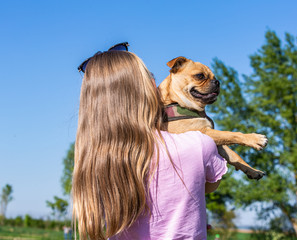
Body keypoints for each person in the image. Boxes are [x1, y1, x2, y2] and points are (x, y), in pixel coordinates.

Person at [72, 46, 227, 240]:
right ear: (145, 89)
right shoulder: (198, 145)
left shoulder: (95, 163)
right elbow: (209, 185)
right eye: (150, 76)